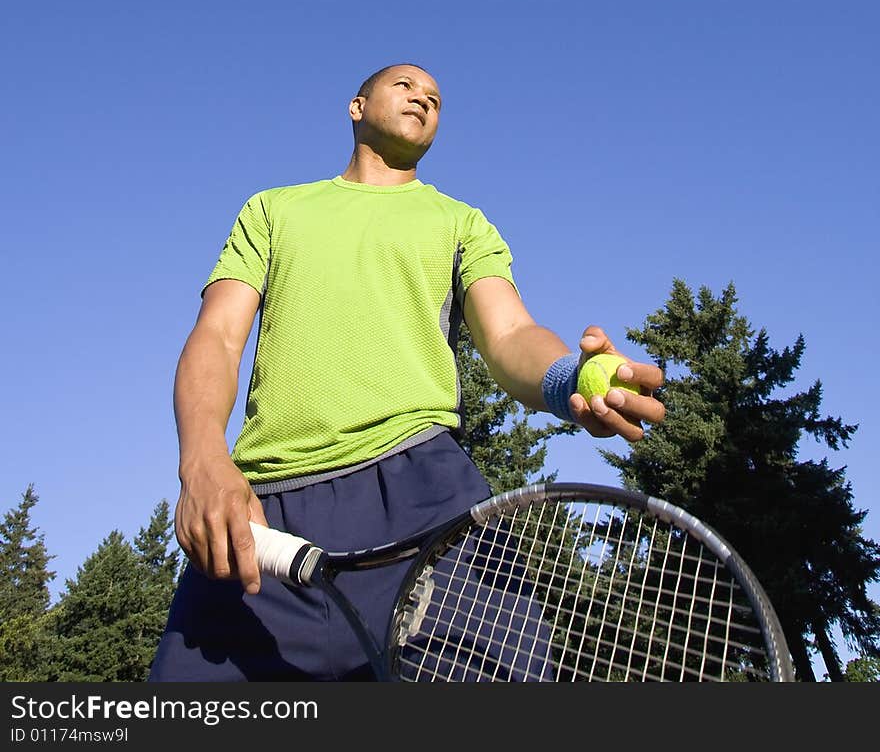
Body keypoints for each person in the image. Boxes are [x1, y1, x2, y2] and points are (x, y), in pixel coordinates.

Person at [149, 63, 665, 681]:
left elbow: (510, 334)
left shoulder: (462, 223)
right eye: (405, 87)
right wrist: (203, 459)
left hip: (426, 499)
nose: (424, 98)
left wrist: (567, 378)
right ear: (356, 106)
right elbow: (217, 334)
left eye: (437, 99)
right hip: (262, 524)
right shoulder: (273, 210)